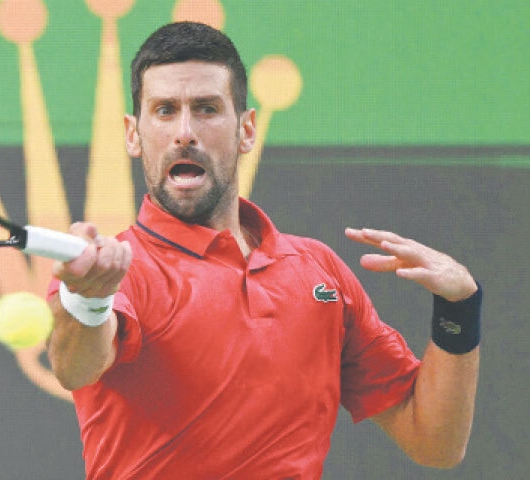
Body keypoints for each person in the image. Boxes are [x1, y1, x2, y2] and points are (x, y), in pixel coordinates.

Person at [47, 21, 481, 479]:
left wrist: (459, 309)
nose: (185, 132)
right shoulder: (111, 271)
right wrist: (90, 300)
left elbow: (434, 441)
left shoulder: (319, 271)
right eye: (165, 111)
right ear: (133, 134)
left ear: (247, 129)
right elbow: (74, 368)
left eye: (207, 109)